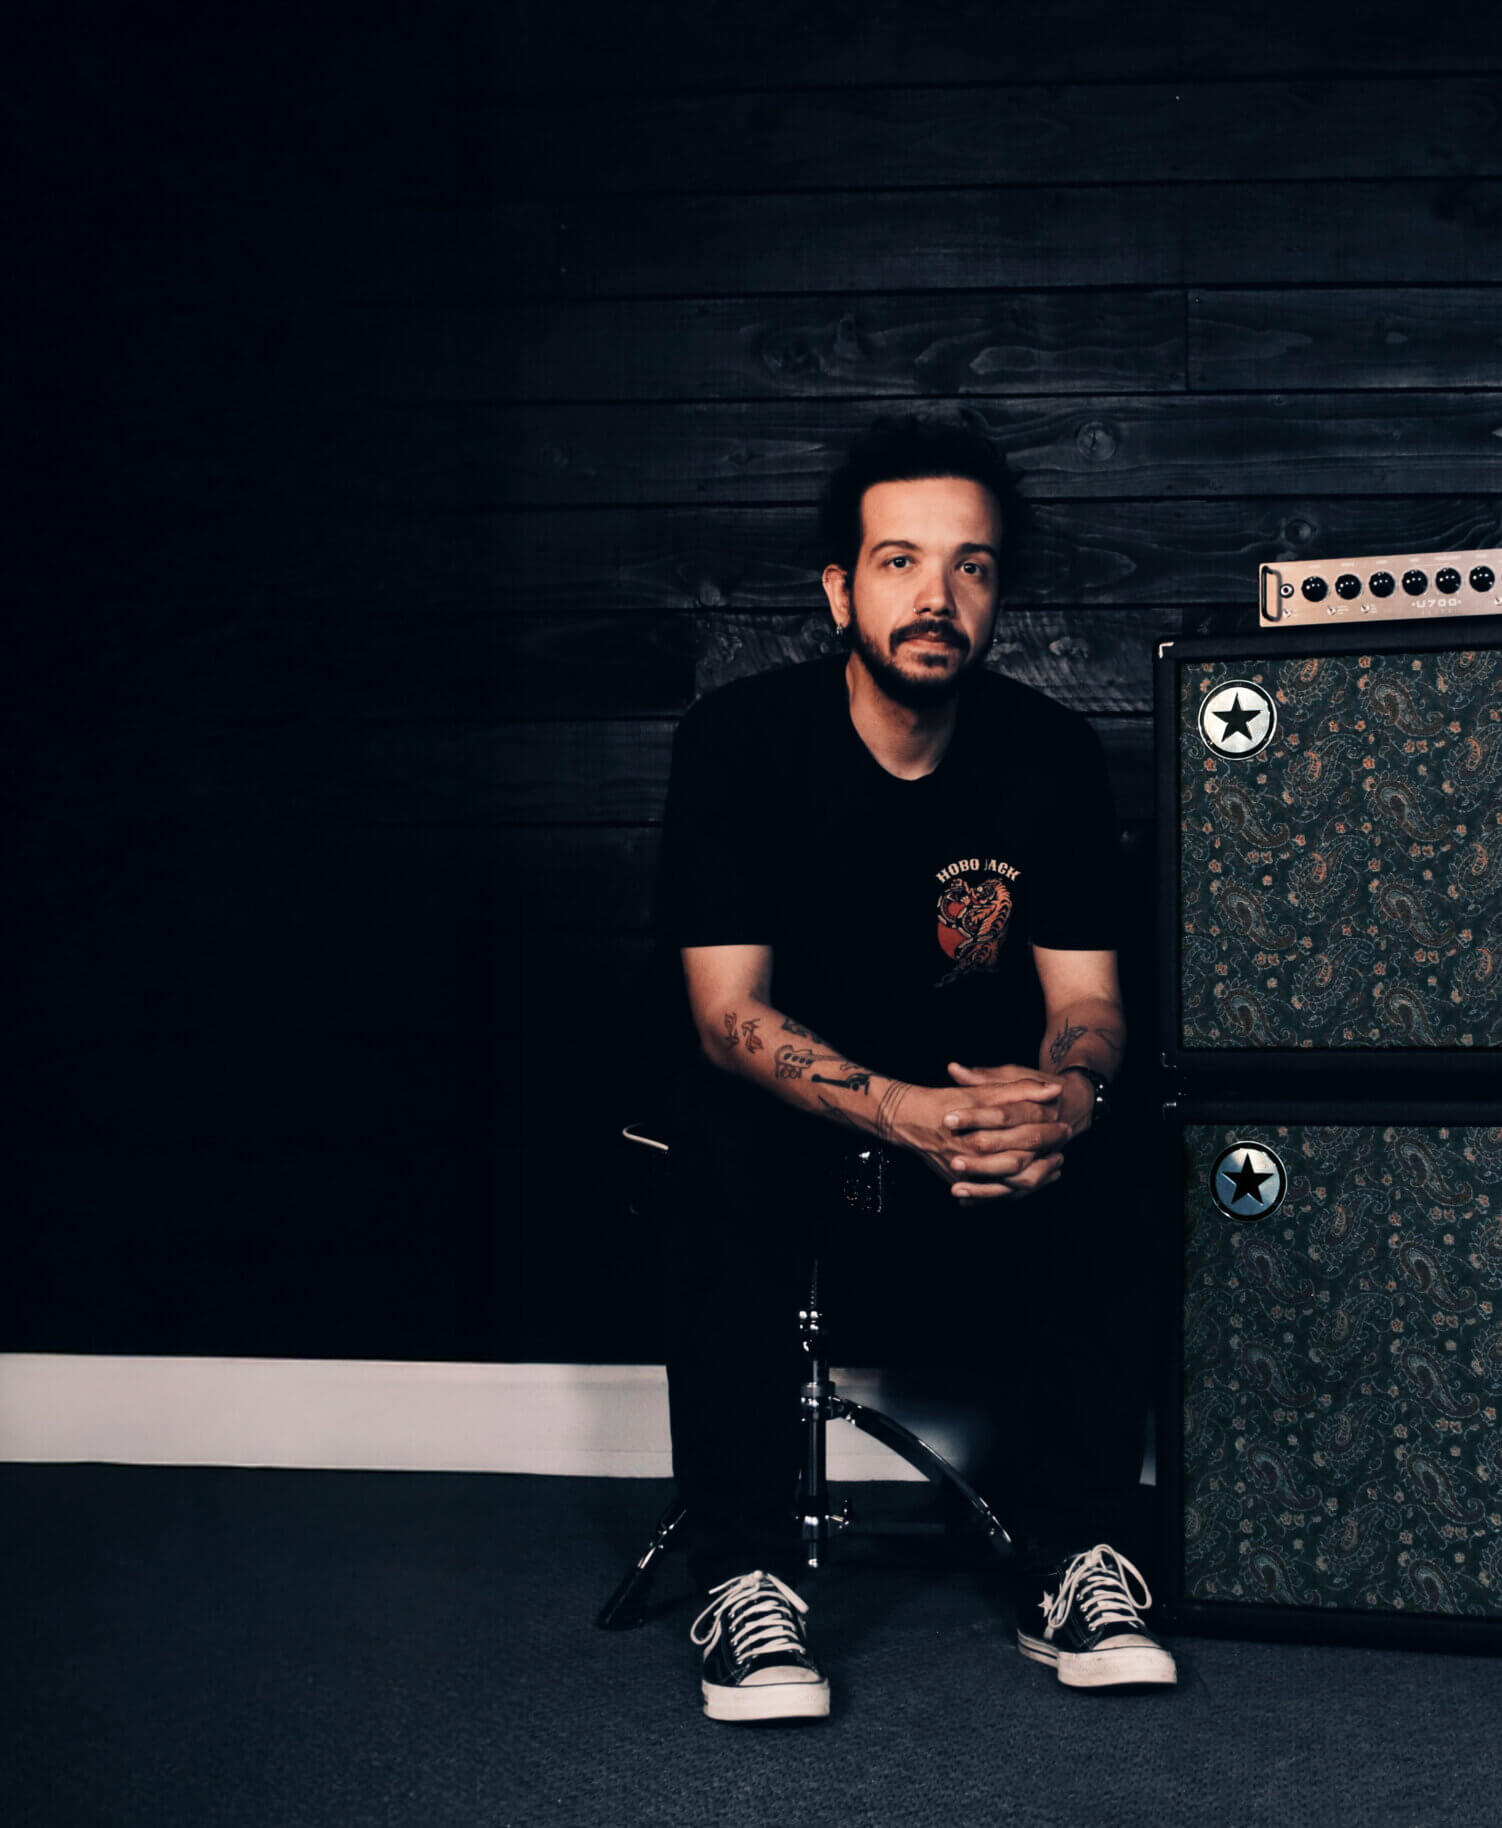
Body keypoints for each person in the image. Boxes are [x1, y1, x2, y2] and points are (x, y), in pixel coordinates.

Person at [649, 415, 1170, 1723]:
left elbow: (1089, 1005)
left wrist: (1064, 1102)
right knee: (723, 1129)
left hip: (982, 1139)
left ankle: (1075, 1561)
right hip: (807, 1131)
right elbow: (727, 1014)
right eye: (900, 561)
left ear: (998, 595)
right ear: (841, 591)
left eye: (970, 566)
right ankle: (746, 1574)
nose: (937, 596)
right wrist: (899, 1113)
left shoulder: (1049, 753)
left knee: (1125, 1136)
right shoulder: (739, 742)